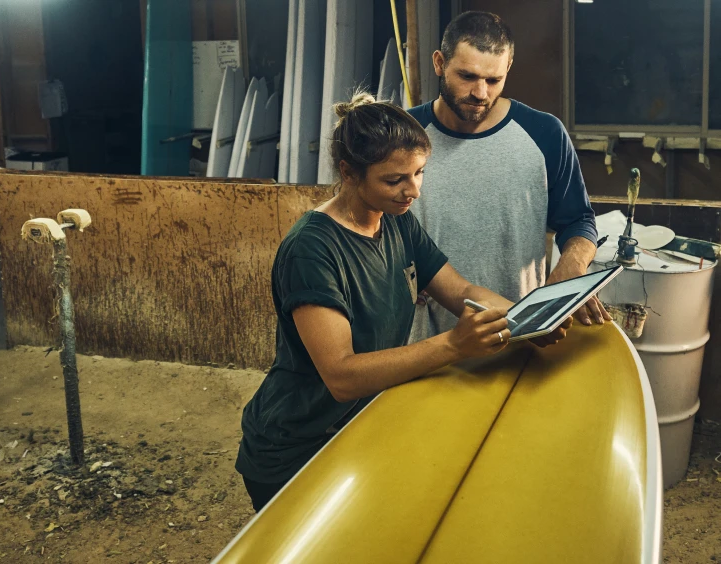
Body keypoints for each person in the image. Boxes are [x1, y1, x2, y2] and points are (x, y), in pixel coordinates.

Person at [234, 92, 571, 512]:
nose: (412, 190)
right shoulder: (312, 249)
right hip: (298, 445)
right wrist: (452, 346)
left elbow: (461, 291)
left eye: (420, 173)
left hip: (363, 427)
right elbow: (341, 377)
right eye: (395, 179)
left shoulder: (395, 222)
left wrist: (527, 318)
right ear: (349, 173)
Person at [407, 11, 610, 341]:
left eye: (493, 80)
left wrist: (569, 271)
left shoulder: (544, 133)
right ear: (439, 63)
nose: (481, 93)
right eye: (468, 76)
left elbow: (579, 221)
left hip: (518, 334)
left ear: (508, 69)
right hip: (423, 343)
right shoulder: (402, 135)